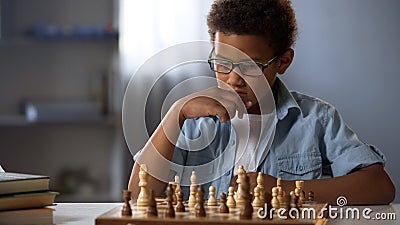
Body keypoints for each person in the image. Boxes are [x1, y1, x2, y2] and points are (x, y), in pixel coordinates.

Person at [129, 0, 395, 205]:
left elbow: (380, 187)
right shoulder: (194, 123)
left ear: (283, 61)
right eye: (222, 63)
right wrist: (176, 113)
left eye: (251, 66)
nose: (233, 80)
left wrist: (283, 189)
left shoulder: (316, 120)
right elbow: (136, 196)